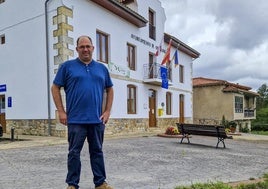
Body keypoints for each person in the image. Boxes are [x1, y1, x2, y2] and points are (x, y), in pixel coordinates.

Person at [51, 35, 114, 189]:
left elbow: (110, 89)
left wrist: (107, 111)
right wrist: (61, 111)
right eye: (82, 47)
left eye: (88, 46)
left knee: (97, 152)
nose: (85, 49)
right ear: (77, 49)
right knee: (73, 153)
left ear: (93, 48)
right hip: (75, 120)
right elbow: (55, 87)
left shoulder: (102, 69)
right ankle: (72, 185)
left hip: (97, 120)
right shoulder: (67, 67)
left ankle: (100, 183)